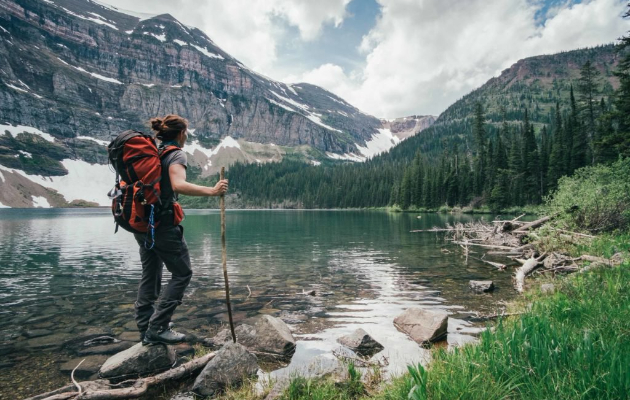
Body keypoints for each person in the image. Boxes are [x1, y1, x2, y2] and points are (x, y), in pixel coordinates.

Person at [135, 114, 228, 345]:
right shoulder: (176, 153)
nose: (187, 136)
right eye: (186, 132)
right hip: (163, 225)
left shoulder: (153, 153)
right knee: (182, 273)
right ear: (181, 133)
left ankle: (146, 326)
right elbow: (178, 185)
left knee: (151, 274)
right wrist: (213, 191)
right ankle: (158, 327)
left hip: (142, 223)